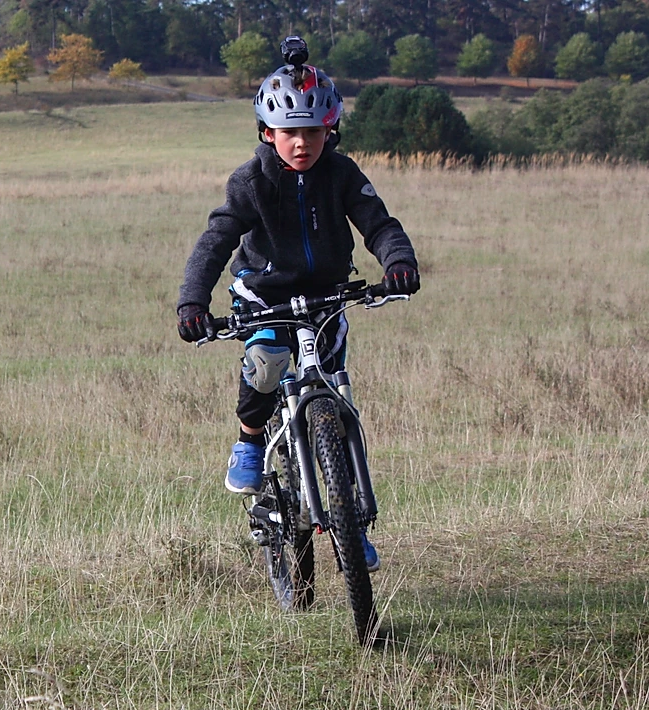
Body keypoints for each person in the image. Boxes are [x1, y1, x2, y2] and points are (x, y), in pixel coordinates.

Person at [176, 37, 420, 572]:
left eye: (312, 131)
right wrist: (193, 300)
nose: (301, 143)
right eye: (289, 132)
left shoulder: (342, 174)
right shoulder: (250, 181)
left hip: (328, 294)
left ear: (329, 129)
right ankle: (248, 441)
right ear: (268, 132)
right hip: (264, 292)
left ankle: (350, 523)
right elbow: (215, 241)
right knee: (266, 366)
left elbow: (379, 224)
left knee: (336, 396)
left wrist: (397, 261)